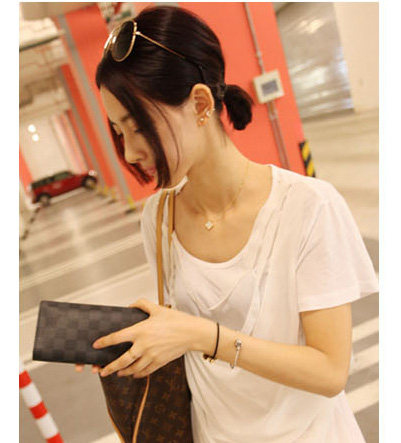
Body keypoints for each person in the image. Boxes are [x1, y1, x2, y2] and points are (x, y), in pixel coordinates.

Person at [75, 5, 378, 442]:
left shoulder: (308, 206)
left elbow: (330, 371)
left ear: (200, 104)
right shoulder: (158, 217)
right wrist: (130, 343)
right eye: (119, 131)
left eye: (138, 125)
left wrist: (204, 336)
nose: (129, 152)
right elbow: (181, 338)